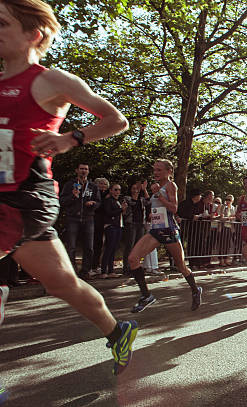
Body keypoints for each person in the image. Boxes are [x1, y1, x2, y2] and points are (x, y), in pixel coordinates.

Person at [0, 0, 135, 377]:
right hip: (4, 199)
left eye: (2, 23)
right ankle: (117, 330)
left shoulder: (50, 80)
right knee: (64, 283)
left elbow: (115, 119)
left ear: (33, 34)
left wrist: (69, 139)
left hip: (27, 197)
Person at [126, 159, 202, 313]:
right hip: (155, 231)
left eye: (159, 170)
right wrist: (151, 214)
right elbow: (156, 207)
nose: (155, 173)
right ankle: (146, 295)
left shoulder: (170, 186)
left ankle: (195, 290)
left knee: (181, 266)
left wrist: (159, 196)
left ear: (169, 172)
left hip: (169, 231)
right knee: (132, 259)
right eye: (154, 170)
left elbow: (174, 208)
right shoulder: (156, 187)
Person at [59, 162, 101, 279]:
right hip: (73, 218)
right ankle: (72, 272)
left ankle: (85, 271)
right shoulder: (69, 185)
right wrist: (72, 196)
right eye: (81, 169)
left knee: (89, 247)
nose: (83, 171)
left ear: (88, 171)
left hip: (88, 219)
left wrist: (93, 204)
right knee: (71, 246)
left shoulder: (93, 186)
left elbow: (98, 202)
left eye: (86, 169)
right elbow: (62, 201)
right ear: (76, 170)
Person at [122, 180, 149, 275]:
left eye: (137, 189)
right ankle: (127, 267)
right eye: (133, 188)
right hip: (131, 224)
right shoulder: (127, 199)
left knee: (138, 247)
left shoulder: (141, 200)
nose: (135, 190)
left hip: (140, 224)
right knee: (129, 246)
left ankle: (135, 267)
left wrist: (144, 189)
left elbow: (148, 201)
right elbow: (130, 204)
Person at [100, 184, 125, 278]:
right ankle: (103, 271)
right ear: (110, 190)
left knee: (113, 249)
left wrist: (122, 210)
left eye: (119, 190)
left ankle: (111, 271)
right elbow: (108, 213)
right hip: (111, 226)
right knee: (109, 248)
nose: (117, 192)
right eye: (115, 190)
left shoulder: (117, 201)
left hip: (118, 226)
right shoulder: (108, 201)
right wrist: (121, 209)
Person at [91, 177, 109, 276]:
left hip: (104, 222)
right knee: (93, 243)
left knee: (100, 244)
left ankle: (96, 265)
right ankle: (91, 266)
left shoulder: (108, 195)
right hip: (94, 221)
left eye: (105, 184)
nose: (103, 186)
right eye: (101, 184)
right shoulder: (94, 194)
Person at [217, 195, 236, 266]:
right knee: (221, 245)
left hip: (230, 228)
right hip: (223, 227)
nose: (228, 201)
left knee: (227, 245)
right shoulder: (222, 207)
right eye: (227, 199)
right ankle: (221, 260)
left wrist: (230, 218)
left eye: (229, 200)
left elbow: (234, 217)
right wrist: (228, 218)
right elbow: (220, 217)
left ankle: (226, 259)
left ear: (232, 201)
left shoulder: (233, 208)